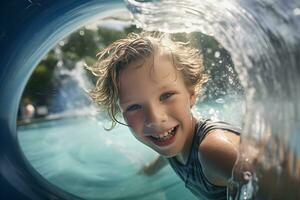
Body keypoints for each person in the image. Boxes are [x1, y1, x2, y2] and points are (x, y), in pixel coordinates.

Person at [87, 32, 299, 199]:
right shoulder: (167, 139)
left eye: (166, 95)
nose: (154, 118)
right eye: (134, 107)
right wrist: (147, 172)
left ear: (192, 94)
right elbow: (163, 158)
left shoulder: (213, 152)